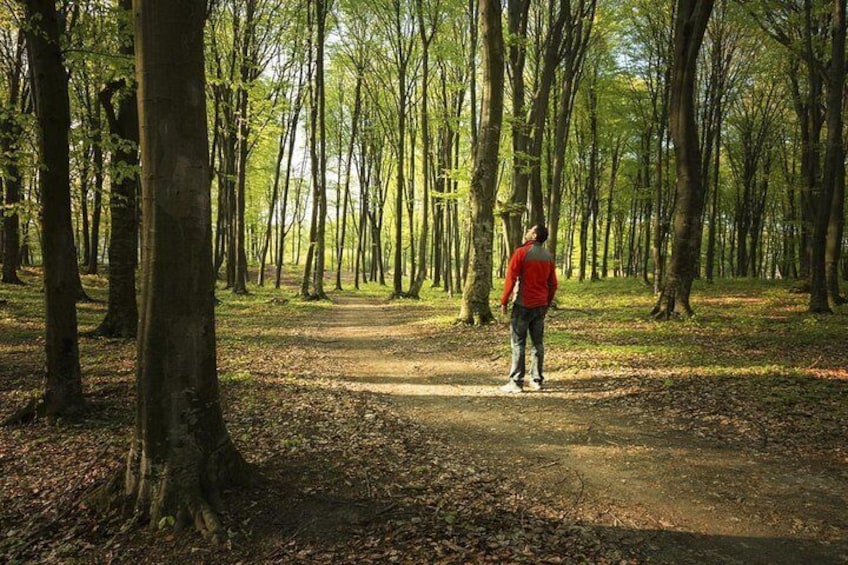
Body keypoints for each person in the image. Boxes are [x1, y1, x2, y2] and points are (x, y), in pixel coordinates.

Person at [499, 224, 558, 393]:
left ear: (534, 235)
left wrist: (504, 300)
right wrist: (547, 302)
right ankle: (536, 380)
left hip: (523, 305)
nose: (527, 231)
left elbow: (511, 277)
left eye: (530, 230)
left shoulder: (521, 253)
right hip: (540, 306)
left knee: (518, 343)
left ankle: (516, 382)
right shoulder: (548, 256)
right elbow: (553, 284)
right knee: (537, 343)